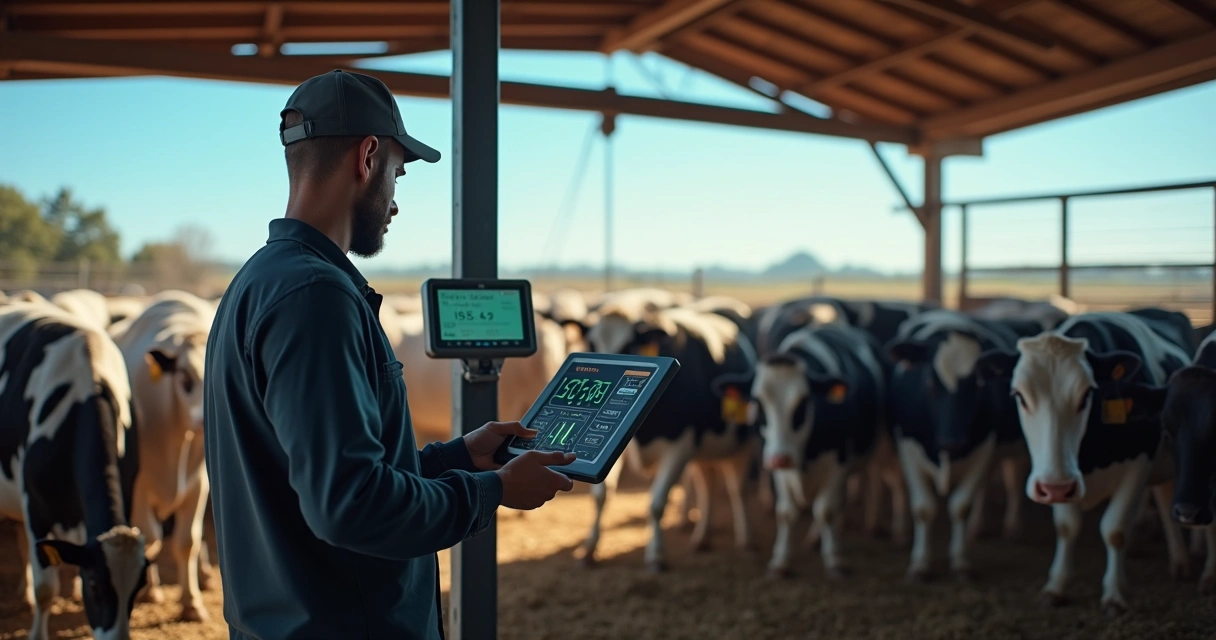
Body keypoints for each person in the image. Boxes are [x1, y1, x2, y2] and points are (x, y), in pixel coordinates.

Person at [202, 69, 577, 640]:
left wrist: (456, 458)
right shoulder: (316, 297)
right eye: (399, 174)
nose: (396, 199)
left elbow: (319, 474)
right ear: (369, 156)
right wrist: (494, 491)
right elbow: (349, 505)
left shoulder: (257, 281)